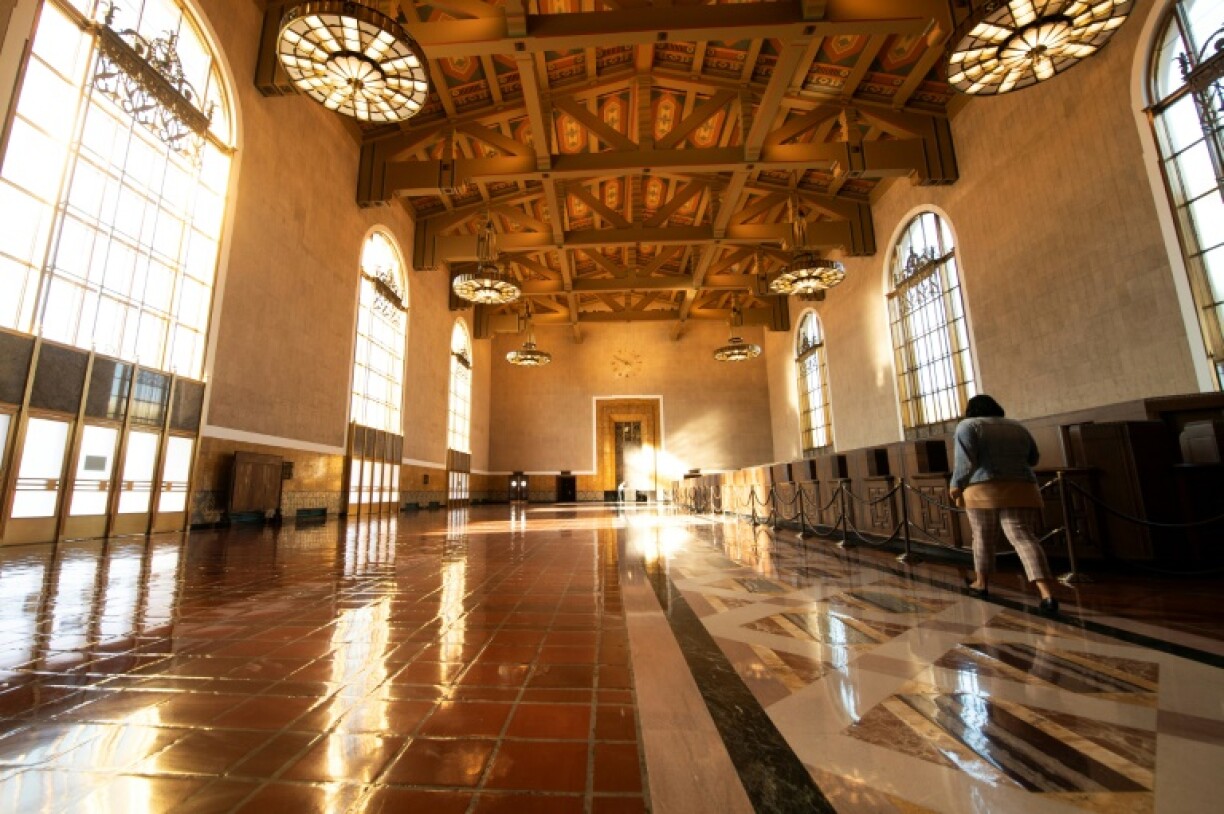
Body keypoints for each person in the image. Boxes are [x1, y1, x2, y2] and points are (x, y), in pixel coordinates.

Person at [949, 394, 1059, 616]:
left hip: (983, 488)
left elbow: (965, 462)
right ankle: (1047, 594)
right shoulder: (1017, 426)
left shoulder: (968, 425)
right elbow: (1033, 458)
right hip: (1021, 487)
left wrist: (955, 485)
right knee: (1023, 537)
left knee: (982, 536)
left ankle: (982, 583)